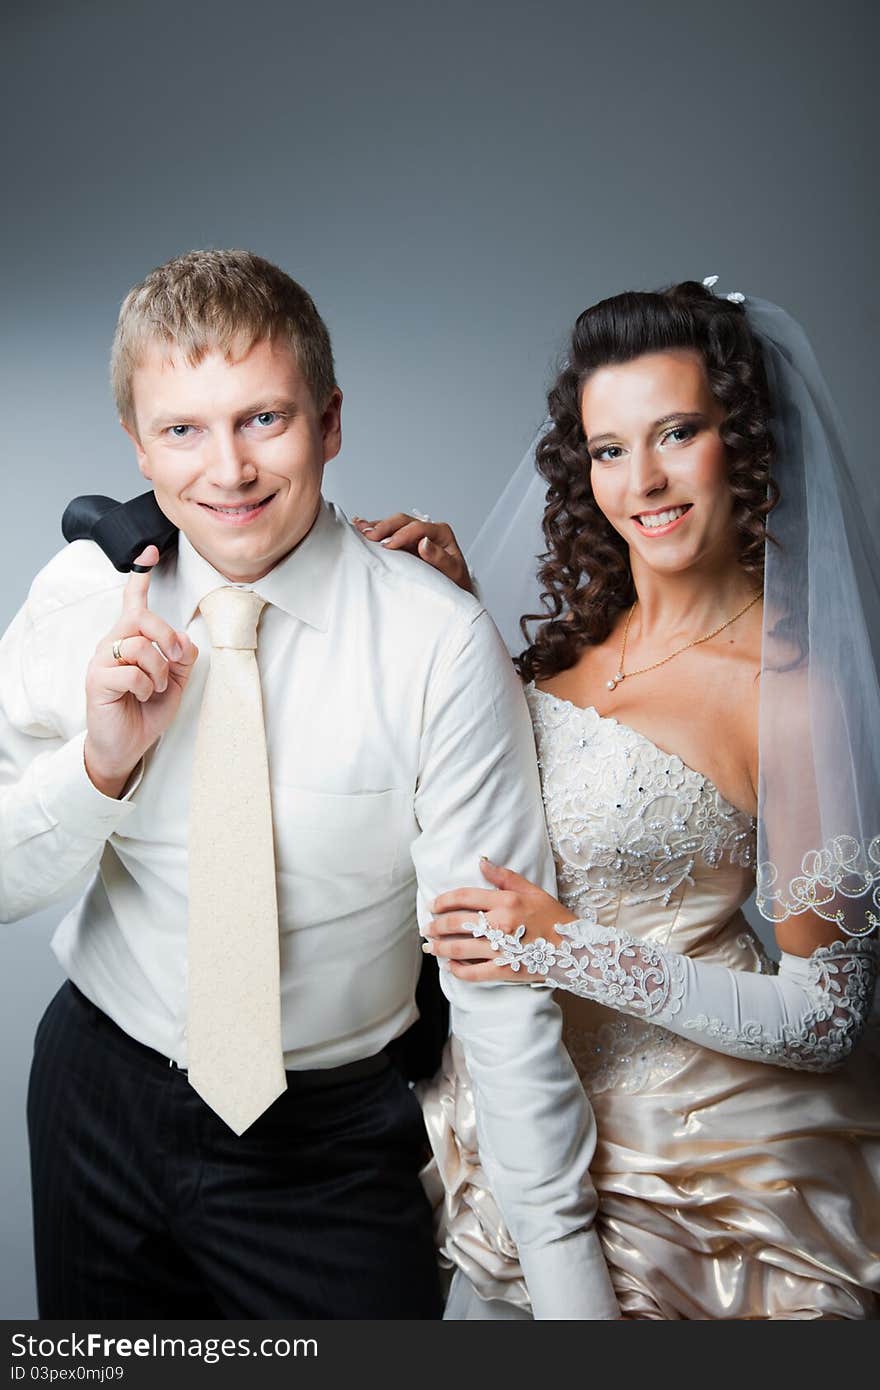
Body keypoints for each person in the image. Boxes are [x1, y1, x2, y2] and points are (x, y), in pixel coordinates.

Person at [0, 248, 620, 1319]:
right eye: (183, 429)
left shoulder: (437, 643)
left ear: (329, 423)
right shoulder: (78, 597)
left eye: (264, 419)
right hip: (98, 1098)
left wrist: (571, 1290)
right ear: (136, 446)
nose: (227, 470)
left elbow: (496, 978)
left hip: (327, 1146)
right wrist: (99, 768)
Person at [355, 279, 880, 1319]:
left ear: (745, 437)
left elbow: (827, 1017)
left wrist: (565, 946)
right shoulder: (570, 643)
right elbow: (536, 802)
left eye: (676, 432)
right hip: (517, 1114)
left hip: (693, 1176)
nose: (642, 479)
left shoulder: (789, 692)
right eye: (608, 448)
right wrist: (457, 636)